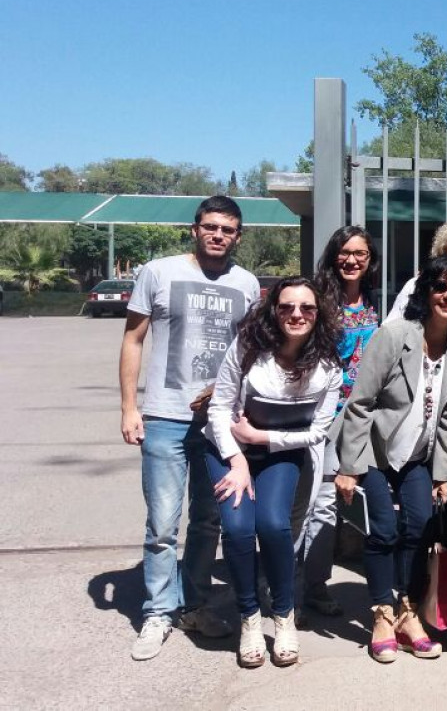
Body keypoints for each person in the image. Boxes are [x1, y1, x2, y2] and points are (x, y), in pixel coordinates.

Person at [119, 195, 260, 661]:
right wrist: (129, 407)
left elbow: (251, 354)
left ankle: (193, 605)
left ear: (238, 235)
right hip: (164, 414)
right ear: (195, 229)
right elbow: (133, 339)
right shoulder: (158, 272)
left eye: (228, 229)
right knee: (162, 523)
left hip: (217, 422)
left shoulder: (247, 284)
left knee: (207, 519)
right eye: (211, 227)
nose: (218, 235)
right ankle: (158, 610)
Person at [335, 256, 447, 663]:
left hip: (419, 457)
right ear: (426, 291)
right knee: (383, 531)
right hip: (375, 453)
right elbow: (360, 402)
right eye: (441, 286)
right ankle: (382, 614)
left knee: (420, 529)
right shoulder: (395, 335)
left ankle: (409, 613)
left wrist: (443, 472)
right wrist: (348, 467)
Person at [204, 277, 343, 667]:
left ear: (319, 314)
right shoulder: (248, 348)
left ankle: (283, 616)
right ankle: (249, 618)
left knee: (274, 525)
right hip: (229, 451)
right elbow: (218, 409)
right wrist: (238, 458)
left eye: (306, 308)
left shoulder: (327, 366)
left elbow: (317, 432)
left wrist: (261, 437)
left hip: (280, 452)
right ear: (273, 310)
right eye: (286, 307)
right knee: (236, 528)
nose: (296, 315)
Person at [296, 226, 381, 621]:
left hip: (359, 417)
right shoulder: (317, 301)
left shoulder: (375, 302)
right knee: (305, 504)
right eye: (345, 252)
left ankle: (314, 586)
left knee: (329, 505)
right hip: (319, 415)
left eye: (360, 254)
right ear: (333, 256)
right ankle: (287, 585)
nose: (352, 260)